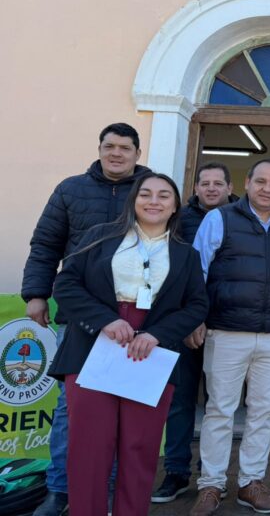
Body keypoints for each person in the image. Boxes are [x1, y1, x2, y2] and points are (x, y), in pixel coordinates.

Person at [47, 172, 208, 516]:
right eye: (145, 194)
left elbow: (197, 305)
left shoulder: (186, 255)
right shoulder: (99, 237)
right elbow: (66, 285)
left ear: (175, 206)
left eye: (164, 195)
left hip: (152, 352)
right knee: (89, 448)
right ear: (133, 200)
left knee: (140, 448)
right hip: (93, 346)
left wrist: (157, 334)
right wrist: (105, 320)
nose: (154, 201)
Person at [21, 122, 150, 516]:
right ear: (99, 149)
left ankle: (109, 488)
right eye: (109, 146)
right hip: (79, 315)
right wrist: (36, 293)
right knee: (70, 408)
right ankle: (61, 490)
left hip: (134, 317)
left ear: (137, 153)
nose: (116, 153)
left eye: (124, 148)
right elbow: (46, 244)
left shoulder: (150, 191)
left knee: (124, 406)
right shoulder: (70, 190)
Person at [189, 158, 270, 516]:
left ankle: (251, 483)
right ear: (246, 183)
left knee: (264, 411)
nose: (267, 189)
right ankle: (211, 484)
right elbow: (196, 270)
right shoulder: (219, 219)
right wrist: (195, 317)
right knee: (219, 410)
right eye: (261, 181)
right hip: (226, 332)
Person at [151, 162, 237, 504]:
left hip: (226, 323)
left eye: (218, 183)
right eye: (205, 183)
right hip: (182, 324)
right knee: (180, 400)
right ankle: (176, 471)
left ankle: (211, 473)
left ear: (230, 187)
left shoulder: (241, 219)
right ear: (196, 188)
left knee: (220, 402)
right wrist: (185, 320)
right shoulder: (178, 220)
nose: (211, 188)